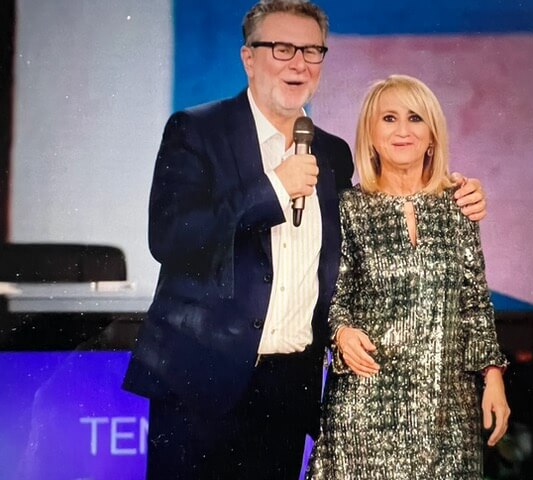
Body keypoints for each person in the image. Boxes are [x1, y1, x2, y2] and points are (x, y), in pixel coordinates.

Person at [122, 1, 488, 479]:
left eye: (312, 51)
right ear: (248, 58)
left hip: (287, 390)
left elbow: (370, 229)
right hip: (200, 383)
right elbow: (170, 237)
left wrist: (452, 192)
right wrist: (274, 188)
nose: (298, 63)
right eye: (282, 48)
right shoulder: (197, 129)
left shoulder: (332, 152)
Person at [306, 74, 510, 479]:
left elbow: (473, 302)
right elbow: (332, 296)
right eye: (389, 118)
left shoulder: (459, 204)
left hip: (447, 410)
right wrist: (342, 333)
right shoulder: (347, 208)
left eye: (415, 118)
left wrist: (493, 377)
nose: (403, 130)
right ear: (371, 134)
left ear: (432, 136)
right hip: (365, 406)